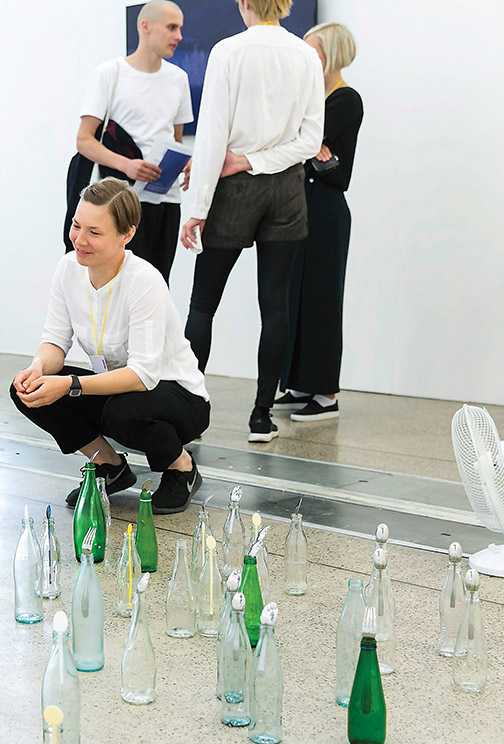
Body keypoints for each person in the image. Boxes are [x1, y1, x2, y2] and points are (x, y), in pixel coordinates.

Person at [13, 178, 210, 514]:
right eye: (76, 225)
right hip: (121, 389)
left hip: (177, 396)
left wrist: (70, 384)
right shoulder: (68, 268)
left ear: (126, 235)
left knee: (122, 411)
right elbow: (55, 341)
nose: (80, 239)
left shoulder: (143, 280)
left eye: (94, 232)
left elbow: (143, 375)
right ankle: (110, 466)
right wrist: (38, 368)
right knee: (27, 390)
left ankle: (182, 468)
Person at [178, 0, 324, 443]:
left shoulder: (228, 50)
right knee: (275, 305)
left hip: (234, 191)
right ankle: (262, 417)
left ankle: (187, 412)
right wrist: (256, 160)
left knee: (203, 303)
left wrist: (197, 207)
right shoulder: (306, 55)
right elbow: (311, 141)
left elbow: (212, 135)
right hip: (288, 190)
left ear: (244, 3)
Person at [67, 0, 192, 283]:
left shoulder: (178, 79)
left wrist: (186, 162)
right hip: (121, 202)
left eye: (180, 28)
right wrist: (128, 166)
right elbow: (84, 140)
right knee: (116, 285)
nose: (179, 36)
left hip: (166, 198)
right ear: (145, 26)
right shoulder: (110, 73)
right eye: (172, 27)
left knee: (157, 285)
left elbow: (176, 140)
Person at [275, 22, 363, 423]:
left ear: (332, 54)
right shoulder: (310, 100)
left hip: (326, 209)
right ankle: (299, 384)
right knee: (295, 295)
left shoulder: (346, 99)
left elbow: (298, 140)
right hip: (299, 203)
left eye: (313, 50)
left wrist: (305, 144)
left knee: (322, 299)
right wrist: (308, 146)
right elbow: (295, 141)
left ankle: (326, 393)